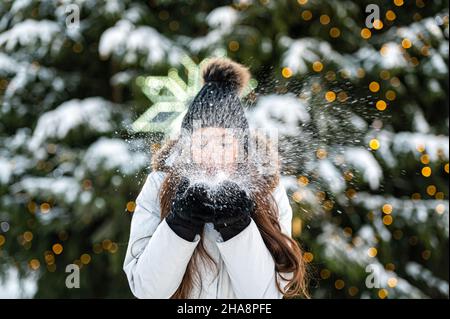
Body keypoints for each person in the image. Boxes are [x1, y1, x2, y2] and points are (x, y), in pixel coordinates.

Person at [123, 58, 308, 299]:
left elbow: (266, 297)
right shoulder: (159, 185)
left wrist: (237, 228)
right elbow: (147, 290)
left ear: (240, 147)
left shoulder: (267, 189)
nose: (212, 154)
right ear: (188, 145)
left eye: (223, 142)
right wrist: (179, 224)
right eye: (202, 142)